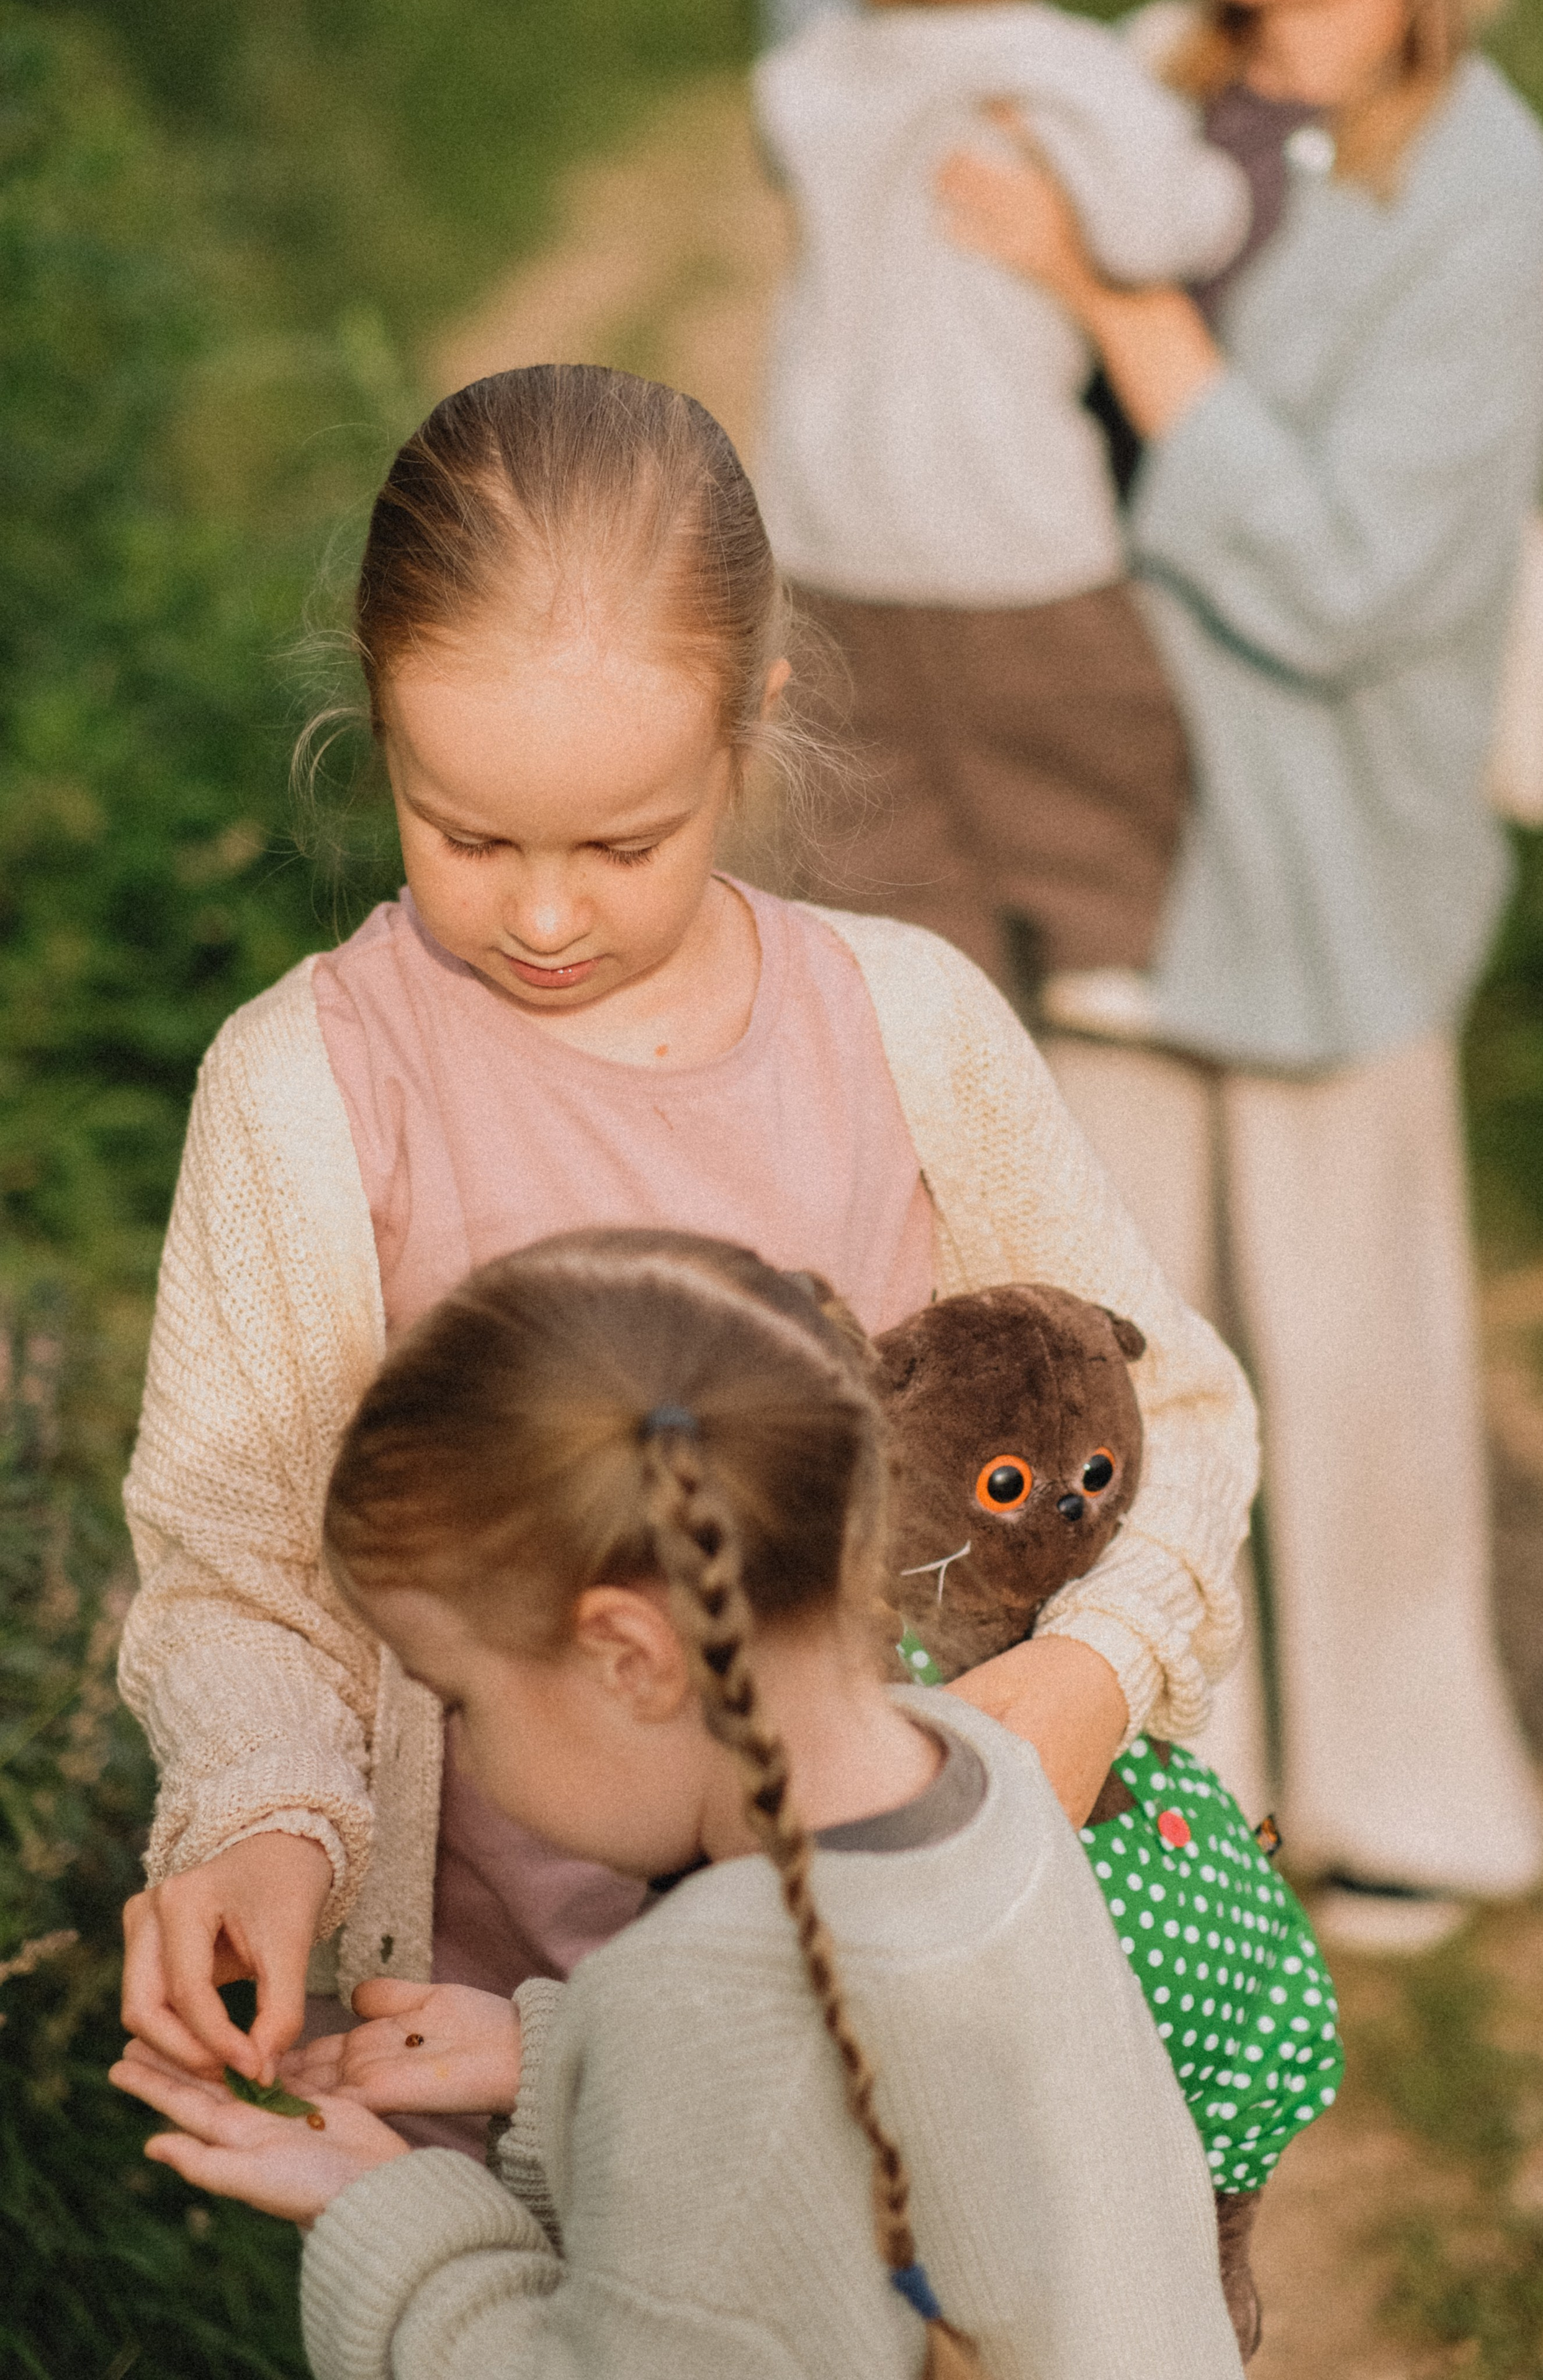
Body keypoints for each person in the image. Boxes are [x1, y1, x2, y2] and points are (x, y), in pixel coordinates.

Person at [115, 364, 1258, 2095]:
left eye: (626, 842)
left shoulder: (908, 1028)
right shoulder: (304, 1091)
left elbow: (1167, 1412)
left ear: (751, 725)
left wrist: (1102, 1670)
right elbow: (238, 1565)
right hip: (483, 2054)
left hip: (901, 2031)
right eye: (466, 834)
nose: (550, 911)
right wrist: (274, 1828)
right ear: (381, 726)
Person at [112, 1233, 1247, 2379]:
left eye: (459, 1697)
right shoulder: (988, 1784)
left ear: (630, 1656)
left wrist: (389, 2213)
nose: (464, 1751)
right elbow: (866, 2144)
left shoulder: (695, 2005)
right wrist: (562, 2061)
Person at [935, 0, 1543, 1942]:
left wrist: (1114, 312)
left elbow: (1356, 571)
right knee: (1112, 1341)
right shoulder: (1134, 80)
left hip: (1318, 843)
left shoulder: (1481, 182)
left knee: (1350, 1334)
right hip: (1098, 809)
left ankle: (1403, 1795)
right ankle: (1173, 1777)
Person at [753, 0, 1252, 1007]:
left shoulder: (809, 72)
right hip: (1003, 514)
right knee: (1093, 763)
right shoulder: (1057, 65)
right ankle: (1103, 965)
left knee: (877, 814)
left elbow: (788, 120)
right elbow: (1156, 225)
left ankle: (926, 1012)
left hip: (829, 520)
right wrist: (1225, 188)